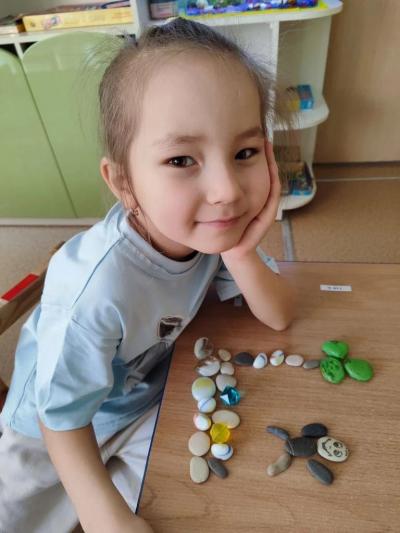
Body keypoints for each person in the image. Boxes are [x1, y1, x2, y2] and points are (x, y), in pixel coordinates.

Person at [0, 17, 296, 533]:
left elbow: (280, 316)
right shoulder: (95, 290)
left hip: (143, 398)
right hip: (50, 431)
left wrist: (242, 251)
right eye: (181, 159)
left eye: (245, 153)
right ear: (123, 182)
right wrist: (103, 515)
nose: (227, 189)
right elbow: (60, 417)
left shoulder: (208, 234)